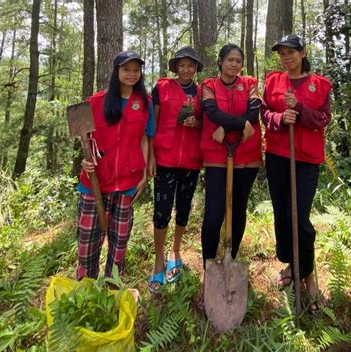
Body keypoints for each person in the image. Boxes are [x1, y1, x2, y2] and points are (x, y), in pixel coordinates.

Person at [261, 34, 331, 311]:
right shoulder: (272, 81)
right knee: (282, 214)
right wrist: (279, 118)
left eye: (291, 52)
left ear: (302, 53)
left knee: (299, 217)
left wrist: (300, 109)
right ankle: (292, 265)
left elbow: (324, 118)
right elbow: (264, 112)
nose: (286, 58)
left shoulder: (319, 85)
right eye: (282, 53)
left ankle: (308, 275)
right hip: (278, 155)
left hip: (306, 158)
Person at [76, 51, 154, 280]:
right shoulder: (96, 101)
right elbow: (84, 138)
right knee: (87, 243)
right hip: (95, 183)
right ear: (116, 71)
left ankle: (112, 288)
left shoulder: (145, 103)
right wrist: (85, 160)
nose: (131, 74)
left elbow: (145, 139)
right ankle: (85, 289)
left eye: (136, 70)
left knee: (119, 244)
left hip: (128, 183)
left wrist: (143, 175)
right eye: (126, 69)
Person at [147, 47, 204, 292]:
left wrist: (197, 122)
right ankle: (158, 260)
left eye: (190, 65)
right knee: (161, 212)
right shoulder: (162, 88)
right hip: (164, 158)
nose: (186, 69)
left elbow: (208, 123)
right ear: (175, 67)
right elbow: (152, 123)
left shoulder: (203, 93)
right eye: (182, 65)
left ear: (195, 69)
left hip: (191, 160)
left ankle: (175, 251)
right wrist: (150, 157)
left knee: (183, 209)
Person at [200, 43, 262, 270]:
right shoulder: (209, 85)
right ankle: (208, 263)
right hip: (217, 155)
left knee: (237, 210)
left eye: (238, 61)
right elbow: (212, 112)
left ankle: (231, 259)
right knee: (214, 213)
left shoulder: (250, 84)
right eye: (230, 60)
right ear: (220, 61)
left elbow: (254, 113)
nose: (234, 64)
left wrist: (227, 127)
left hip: (246, 154)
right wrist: (241, 124)